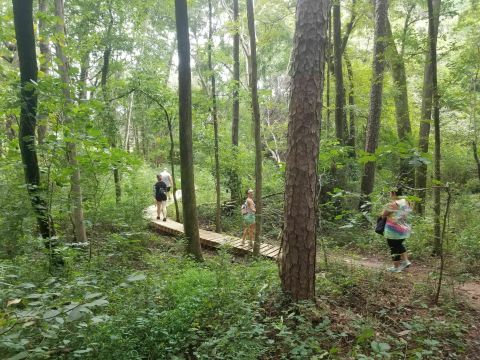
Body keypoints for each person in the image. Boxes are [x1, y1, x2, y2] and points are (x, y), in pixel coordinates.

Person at [382, 187, 412, 273]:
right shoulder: (407, 202)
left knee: (393, 248)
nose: (389, 195)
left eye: (390, 193)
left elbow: (383, 215)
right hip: (404, 229)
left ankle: (396, 267)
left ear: (394, 193)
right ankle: (406, 261)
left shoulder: (393, 204)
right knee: (399, 245)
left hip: (393, 231)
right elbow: (407, 213)